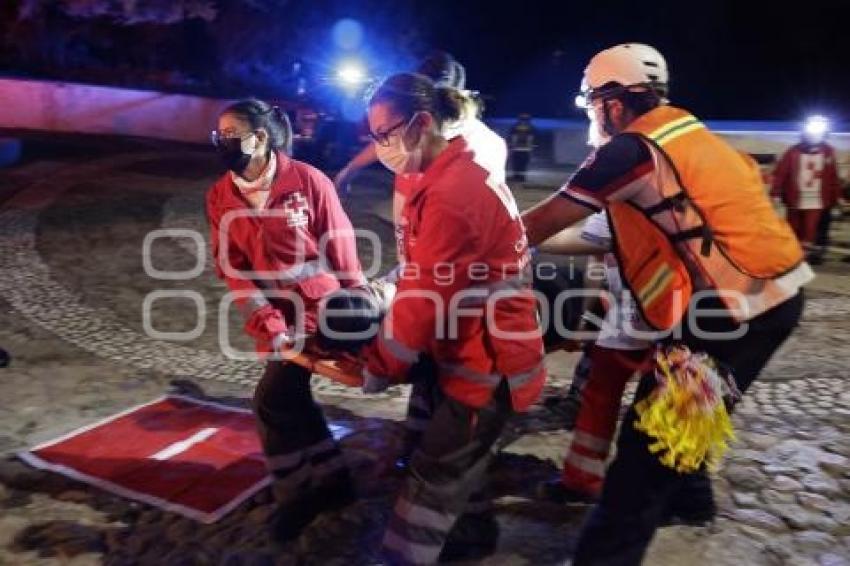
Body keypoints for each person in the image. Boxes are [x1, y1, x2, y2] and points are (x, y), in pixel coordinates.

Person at [521, 43, 811, 564]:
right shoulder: (692, 137)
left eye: (591, 103)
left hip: (731, 314)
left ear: (613, 103)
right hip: (762, 300)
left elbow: (543, 223)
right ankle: (692, 502)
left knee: (643, 455)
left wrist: (475, 237)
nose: (590, 115)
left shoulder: (628, 151)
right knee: (685, 414)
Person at [360, 72, 546, 564]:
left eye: (384, 133)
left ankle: (404, 557)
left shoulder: (453, 195)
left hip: (486, 359)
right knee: (461, 461)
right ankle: (471, 536)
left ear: (421, 123)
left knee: (433, 472)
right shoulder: (444, 174)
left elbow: (424, 299)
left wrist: (380, 364)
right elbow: (425, 272)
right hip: (474, 347)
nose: (379, 146)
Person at [206, 98, 366, 542]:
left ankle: (297, 496)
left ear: (259, 139)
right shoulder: (221, 195)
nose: (221, 142)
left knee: (272, 403)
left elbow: (342, 249)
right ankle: (334, 482)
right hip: (276, 322)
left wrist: (358, 309)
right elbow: (232, 267)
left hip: (320, 316)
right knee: (291, 400)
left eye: (230, 133)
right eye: (217, 134)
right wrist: (270, 324)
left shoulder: (309, 181)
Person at [772, 116, 843, 264]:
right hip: (795, 199)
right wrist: (776, 193)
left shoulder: (828, 152)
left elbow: (833, 177)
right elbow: (781, 173)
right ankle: (793, 255)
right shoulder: (793, 152)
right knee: (793, 229)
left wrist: (837, 198)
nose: (813, 137)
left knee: (810, 231)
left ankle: (802, 259)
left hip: (816, 200)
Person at [508, 113, 536, 182]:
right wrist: (530, 148)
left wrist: (512, 147)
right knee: (523, 164)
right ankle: (522, 177)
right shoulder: (531, 127)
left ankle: (516, 176)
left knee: (516, 164)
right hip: (526, 149)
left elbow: (513, 137)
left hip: (517, 149)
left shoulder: (515, 127)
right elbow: (531, 138)